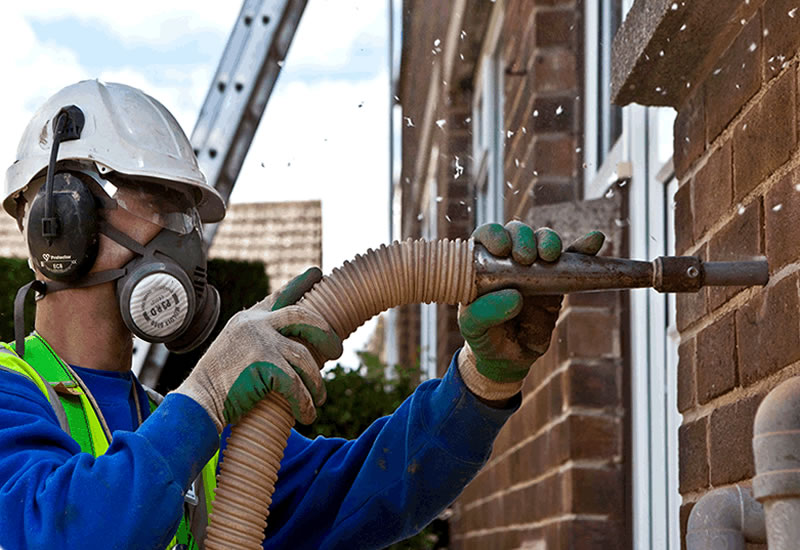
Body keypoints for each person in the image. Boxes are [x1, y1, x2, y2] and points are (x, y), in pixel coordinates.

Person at [0, 80, 604, 550]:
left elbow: (373, 490)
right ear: (62, 216)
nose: (182, 240)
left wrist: (483, 380)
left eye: (187, 216)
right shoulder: (12, 395)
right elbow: (61, 533)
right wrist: (206, 392)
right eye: (157, 202)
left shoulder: (186, 435)